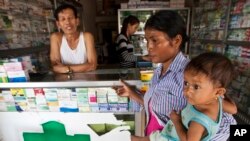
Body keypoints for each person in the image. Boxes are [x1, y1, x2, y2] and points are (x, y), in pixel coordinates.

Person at [114, 10, 237, 141]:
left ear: (176, 40)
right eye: (147, 40)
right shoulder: (159, 71)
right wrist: (131, 94)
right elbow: (155, 105)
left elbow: (227, 123)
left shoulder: (194, 77)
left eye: (155, 40)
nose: (149, 46)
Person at [131, 52, 237, 141]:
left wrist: (176, 121)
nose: (187, 90)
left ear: (218, 92)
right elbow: (234, 109)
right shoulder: (217, 100)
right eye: (186, 83)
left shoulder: (199, 120)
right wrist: (221, 94)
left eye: (196, 86)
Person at [50, 4, 97, 73]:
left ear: (77, 21)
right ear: (58, 24)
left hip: (87, 80)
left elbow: (92, 65)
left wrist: (66, 68)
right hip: (65, 82)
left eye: (70, 18)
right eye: (63, 19)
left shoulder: (87, 37)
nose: (67, 22)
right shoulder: (56, 38)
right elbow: (55, 66)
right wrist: (84, 67)